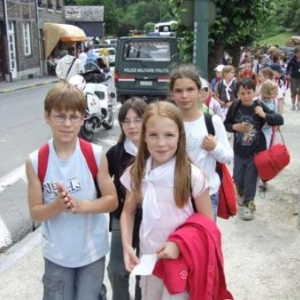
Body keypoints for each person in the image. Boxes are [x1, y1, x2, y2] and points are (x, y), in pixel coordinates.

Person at [25, 81, 118, 300]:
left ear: (83, 118)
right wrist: (57, 206)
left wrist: (81, 205)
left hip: (91, 252)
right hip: (57, 254)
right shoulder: (36, 160)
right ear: (47, 116)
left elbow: (112, 200)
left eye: (74, 116)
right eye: (60, 116)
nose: (67, 123)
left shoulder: (94, 154)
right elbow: (35, 212)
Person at [120, 101, 214, 299]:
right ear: (144, 136)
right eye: (153, 135)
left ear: (180, 137)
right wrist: (127, 246)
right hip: (149, 259)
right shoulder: (137, 173)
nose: (161, 143)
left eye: (169, 135)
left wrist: (179, 244)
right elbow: (128, 212)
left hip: (181, 260)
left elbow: (208, 225)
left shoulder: (192, 175)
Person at [169, 64, 233, 220]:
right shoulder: (168, 123)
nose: (184, 95)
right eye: (179, 91)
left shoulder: (212, 122)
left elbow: (228, 157)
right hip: (174, 195)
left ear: (200, 92)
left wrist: (215, 147)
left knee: (205, 241)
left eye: (190, 89)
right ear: (172, 94)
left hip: (207, 195)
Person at [224, 78, 284, 221]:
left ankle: (248, 205)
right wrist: (234, 127)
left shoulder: (259, 105)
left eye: (249, 92)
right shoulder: (235, 106)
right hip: (239, 150)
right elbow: (226, 124)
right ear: (237, 93)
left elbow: (279, 119)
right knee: (238, 178)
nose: (245, 96)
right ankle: (241, 192)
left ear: (255, 91)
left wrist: (264, 114)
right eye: (242, 93)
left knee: (251, 179)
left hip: (256, 151)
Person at [106, 98, 148, 300]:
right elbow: (101, 186)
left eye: (138, 119)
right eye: (126, 121)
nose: (132, 126)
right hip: (121, 218)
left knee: (146, 272)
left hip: (152, 221)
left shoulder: (158, 151)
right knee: (116, 269)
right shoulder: (115, 153)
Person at [286, 46, 300, 110]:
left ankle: (299, 103)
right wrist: (288, 74)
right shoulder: (291, 60)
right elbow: (288, 69)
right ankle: (293, 104)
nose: (298, 54)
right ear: (295, 53)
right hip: (293, 77)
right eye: (297, 53)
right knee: (293, 91)